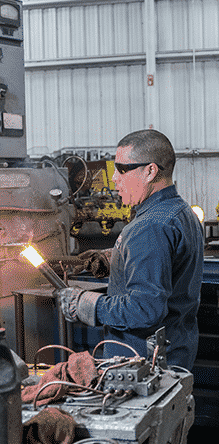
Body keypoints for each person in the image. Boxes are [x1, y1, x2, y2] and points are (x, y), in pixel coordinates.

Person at [57, 129, 204, 370]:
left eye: (122, 169)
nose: (114, 178)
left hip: (140, 365)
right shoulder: (181, 212)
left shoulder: (148, 227)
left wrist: (86, 303)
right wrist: (119, 257)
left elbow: (145, 310)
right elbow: (169, 261)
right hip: (176, 352)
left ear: (150, 171)